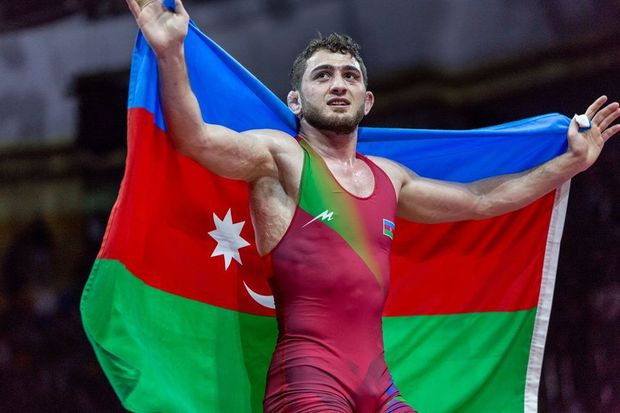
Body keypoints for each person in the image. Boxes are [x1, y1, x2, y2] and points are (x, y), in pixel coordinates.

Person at [126, 0, 619, 411]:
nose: (338, 84)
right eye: (323, 76)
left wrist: (571, 163)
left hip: (380, 390)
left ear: (367, 101)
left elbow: (481, 200)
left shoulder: (391, 177)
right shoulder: (280, 157)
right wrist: (170, 53)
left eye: (349, 76)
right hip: (308, 387)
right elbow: (195, 139)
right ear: (295, 101)